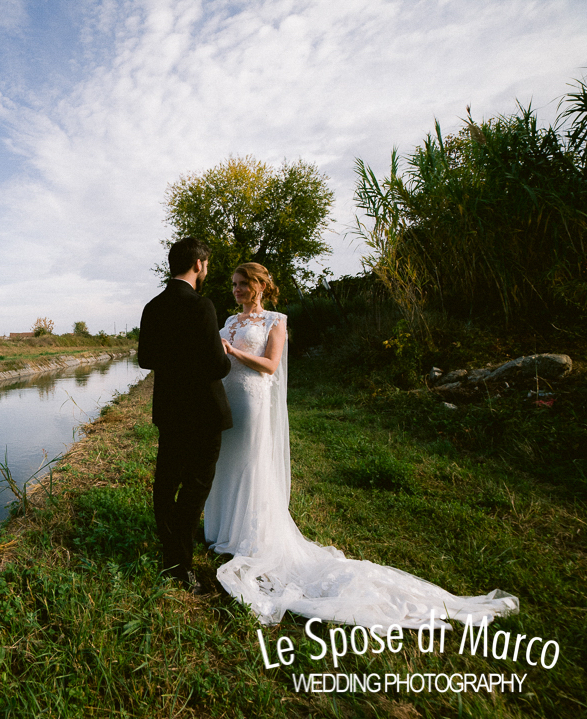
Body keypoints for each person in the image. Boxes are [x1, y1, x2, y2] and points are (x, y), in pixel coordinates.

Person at [203, 262, 518, 630]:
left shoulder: (276, 320)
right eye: (234, 284)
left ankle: (250, 537)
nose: (237, 290)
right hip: (226, 400)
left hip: (252, 400)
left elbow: (271, 365)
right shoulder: (230, 320)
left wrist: (233, 351)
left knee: (249, 466)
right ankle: (223, 532)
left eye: (243, 284)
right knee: (225, 463)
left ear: (260, 285)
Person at [138, 237, 232, 591]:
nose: (205, 269)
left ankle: (171, 550)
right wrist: (222, 354)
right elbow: (217, 367)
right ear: (198, 264)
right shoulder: (201, 305)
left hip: (169, 409)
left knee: (166, 483)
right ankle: (180, 563)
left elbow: (145, 359)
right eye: (206, 264)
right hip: (203, 411)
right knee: (196, 485)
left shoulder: (152, 306)